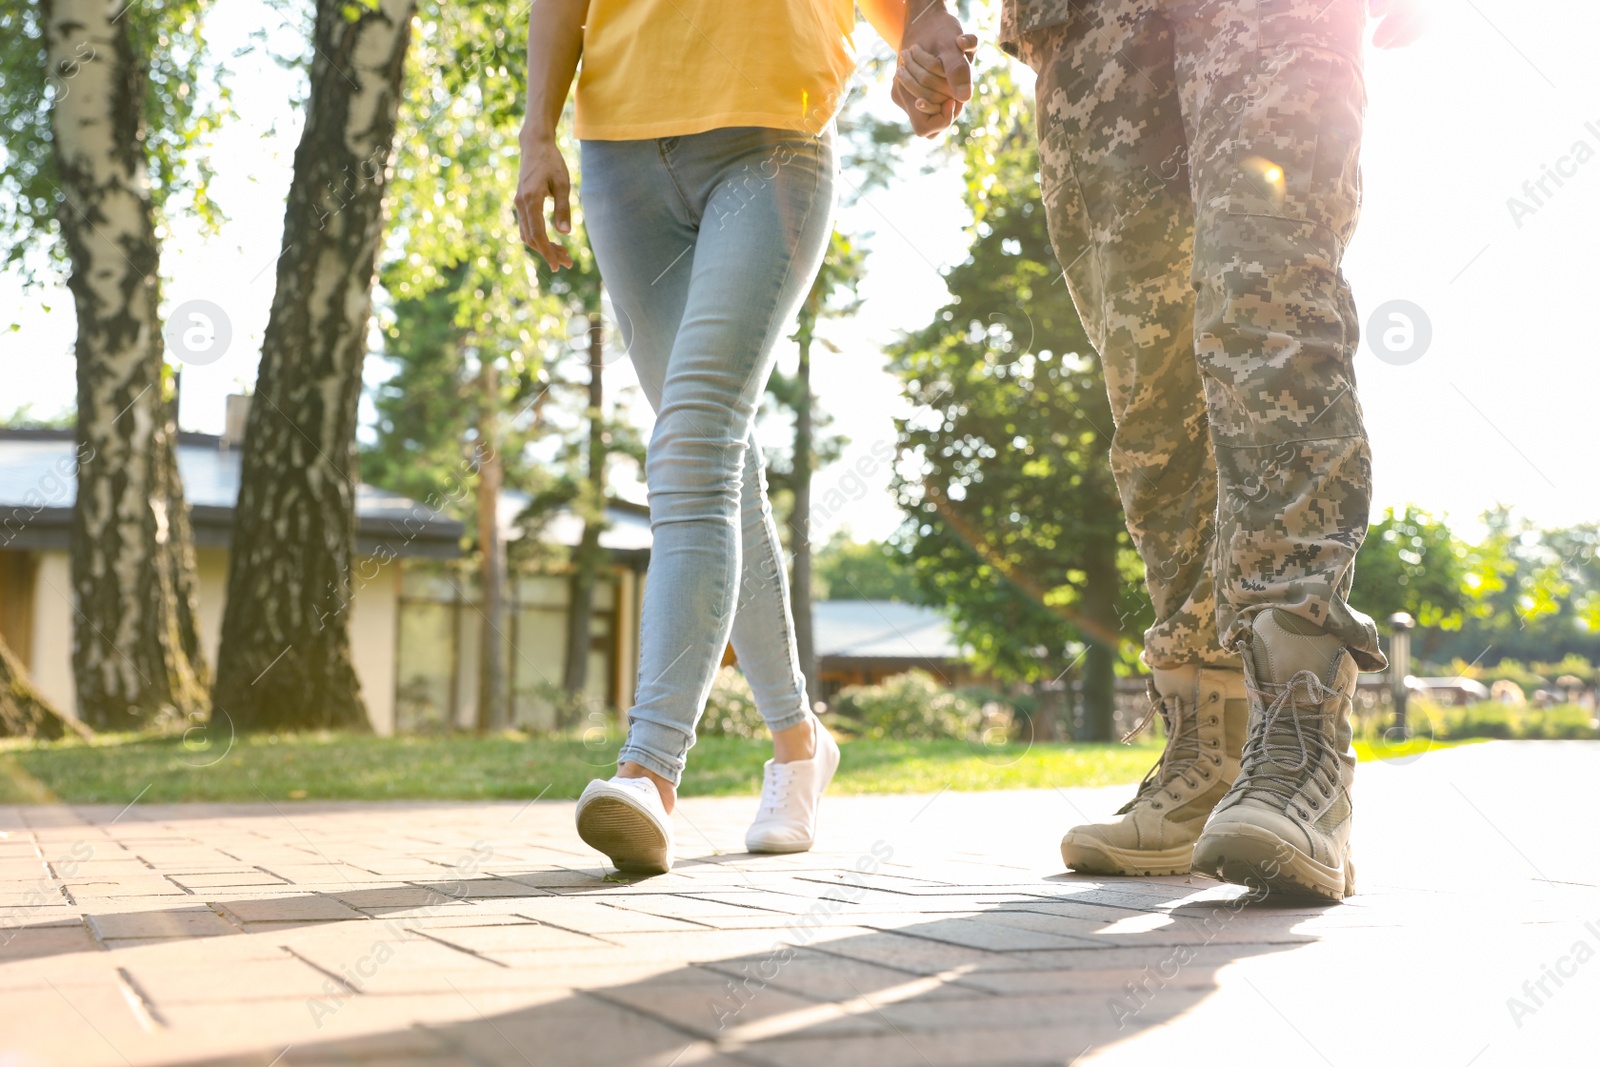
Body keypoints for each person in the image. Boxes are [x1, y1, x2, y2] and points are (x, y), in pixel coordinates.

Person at [895, 0, 1424, 901]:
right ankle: (1207, 744)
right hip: (1085, 23)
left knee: (1267, 295)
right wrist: (920, 11)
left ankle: (1301, 750)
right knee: (1148, 373)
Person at [516, 0, 974, 874]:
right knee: (719, 456)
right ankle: (801, 747)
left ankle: (648, 770)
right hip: (619, 148)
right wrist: (539, 130)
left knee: (692, 446)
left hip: (770, 134)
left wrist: (928, 43)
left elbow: (916, 12)